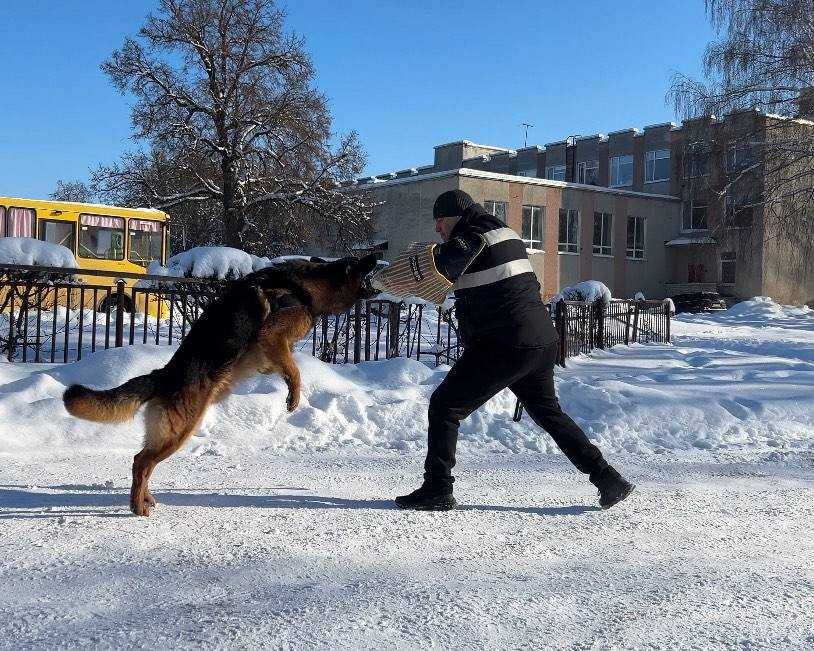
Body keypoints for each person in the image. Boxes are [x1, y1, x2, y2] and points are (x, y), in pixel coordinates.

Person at [376, 189, 634, 511]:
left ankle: (437, 488)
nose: (438, 230)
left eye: (439, 222)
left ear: (453, 217)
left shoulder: (473, 236)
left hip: (506, 342)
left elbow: (435, 267)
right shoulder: (504, 232)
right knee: (549, 414)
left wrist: (377, 282)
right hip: (539, 340)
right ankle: (607, 478)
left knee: (445, 405)